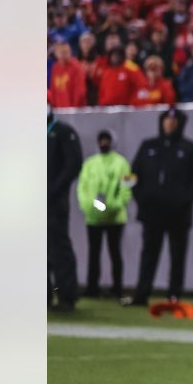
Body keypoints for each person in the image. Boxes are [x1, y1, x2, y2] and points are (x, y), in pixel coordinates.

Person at [127, 106, 193, 305]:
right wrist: (141, 198)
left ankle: (174, 295)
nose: (169, 124)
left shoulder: (190, 148)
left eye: (174, 121)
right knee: (148, 254)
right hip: (152, 212)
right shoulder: (148, 146)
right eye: (166, 121)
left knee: (177, 256)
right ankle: (142, 293)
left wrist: (183, 201)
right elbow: (132, 176)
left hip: (179, 214)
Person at [76, 130, 132, 298]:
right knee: (94, 254)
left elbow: (127, 187)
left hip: (115, 218)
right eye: (101, 140)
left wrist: (114, 206)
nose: (104, 143)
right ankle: (92, 287)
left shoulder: (122, 163)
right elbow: (82, 189)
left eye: (107, 140)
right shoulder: (90, 164)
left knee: (115, 253)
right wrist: (89, 207)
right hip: (94, 217)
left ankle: (117, 288)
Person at [48, 105, 82, 311]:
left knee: (59, 249)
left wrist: (53, 190)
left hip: (55, 203)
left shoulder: (63, 132)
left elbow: (73, 164)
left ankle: (66, 296)